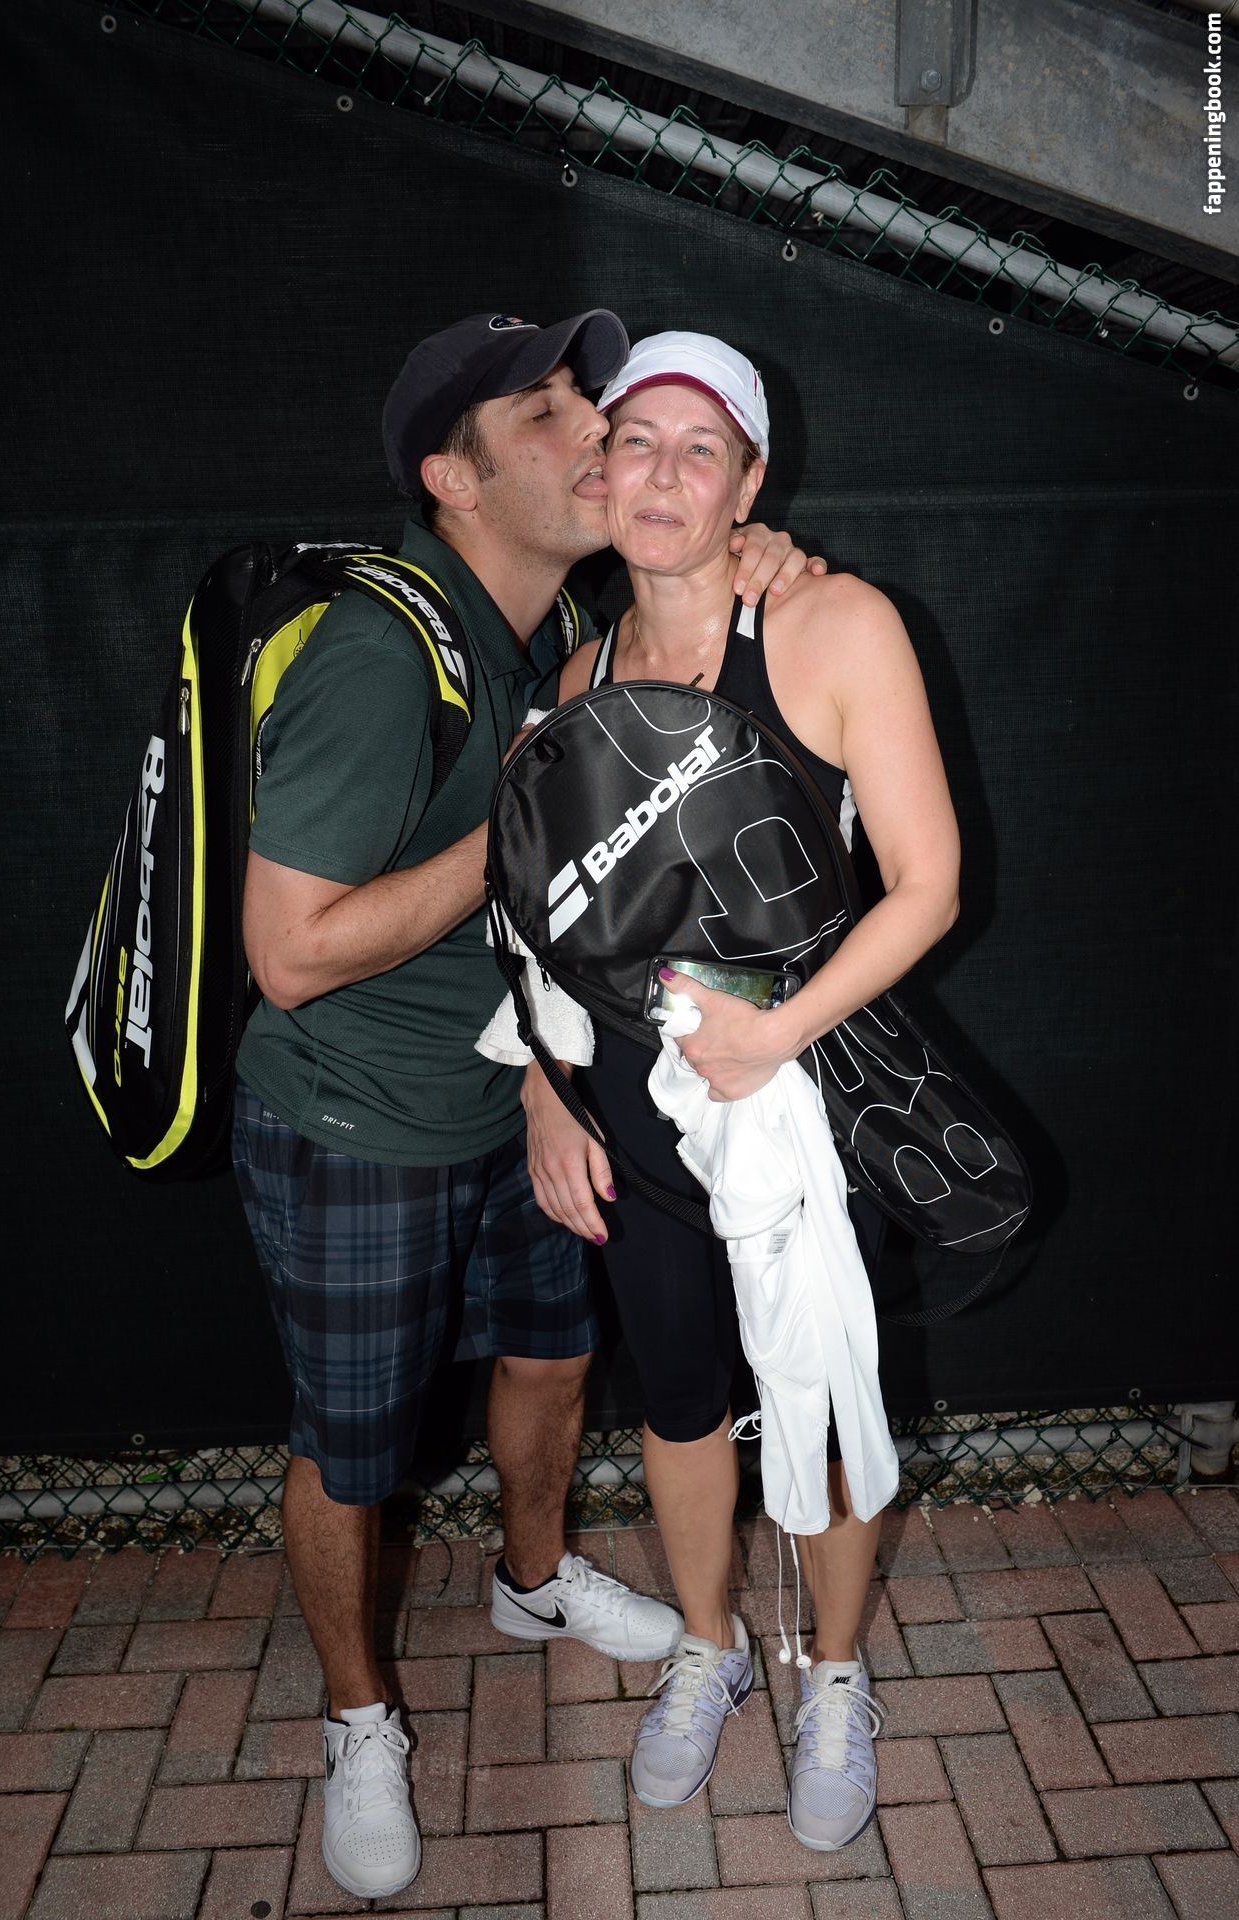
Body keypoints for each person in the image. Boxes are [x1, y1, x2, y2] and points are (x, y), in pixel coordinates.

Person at [231, 308, 824, 1901]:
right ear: (456, 478)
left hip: (522, 1100)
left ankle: (533, 1576)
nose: (595, 434)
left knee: (554, 1363)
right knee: (352, 1450)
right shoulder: (378, 656)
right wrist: (514, 822)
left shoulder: (547, 621)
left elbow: (697, 583)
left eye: (592, 403)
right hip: (357, 1124)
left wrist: (764, 555)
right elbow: (289, 954)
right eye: (547, 415)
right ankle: (358, 1714)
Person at [520, 330, 961, 1850]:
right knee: (681, 1397)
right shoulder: (577, 678)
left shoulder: (832, 625)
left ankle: (833, 1672)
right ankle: (706, 1646)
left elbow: (926, 885)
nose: (661, 475)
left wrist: (778, 1036)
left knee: (827, 1389)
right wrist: (544, 1094)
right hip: (639, 1112)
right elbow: (550, 926)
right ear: (599, 471)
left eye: (699, 448)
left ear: (748, 483)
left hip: (812, 1096)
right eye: (635, 441)